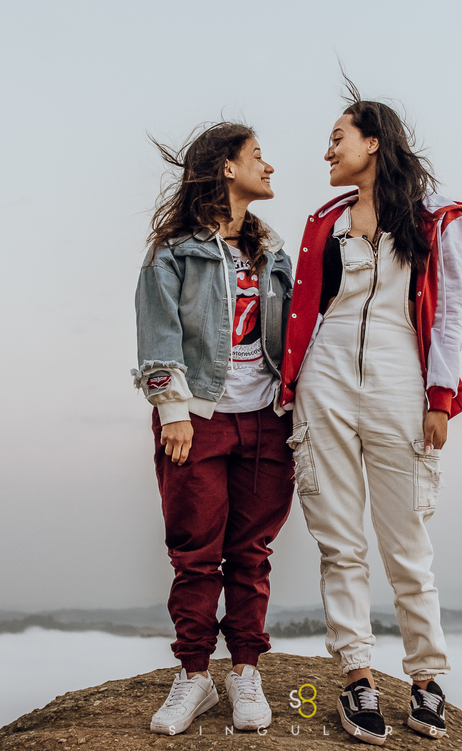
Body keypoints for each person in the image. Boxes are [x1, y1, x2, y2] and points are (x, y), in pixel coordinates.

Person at [279, 85, 462, 744]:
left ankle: (426, 678)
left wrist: (440, 397)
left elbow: (448, 317)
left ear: (374, 142)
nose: (327, 149)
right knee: (339, 539)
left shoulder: (437, 217)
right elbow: (305, 307)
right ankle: (357, 675)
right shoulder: (322, 222)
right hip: (324, 374)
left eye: (338, 136)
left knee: (408, 539)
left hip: (399, 374)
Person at [134, 122, 295, 735]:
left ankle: (246, 670)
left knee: (251, 553)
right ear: (227, 168)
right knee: (196, 554)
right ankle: (195, 675)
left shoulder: (274, 253)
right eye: (259, 156)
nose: (269, 166)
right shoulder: (175, 250)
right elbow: (158, 330)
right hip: (199, 418)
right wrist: (172, 408)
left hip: (266, 420)